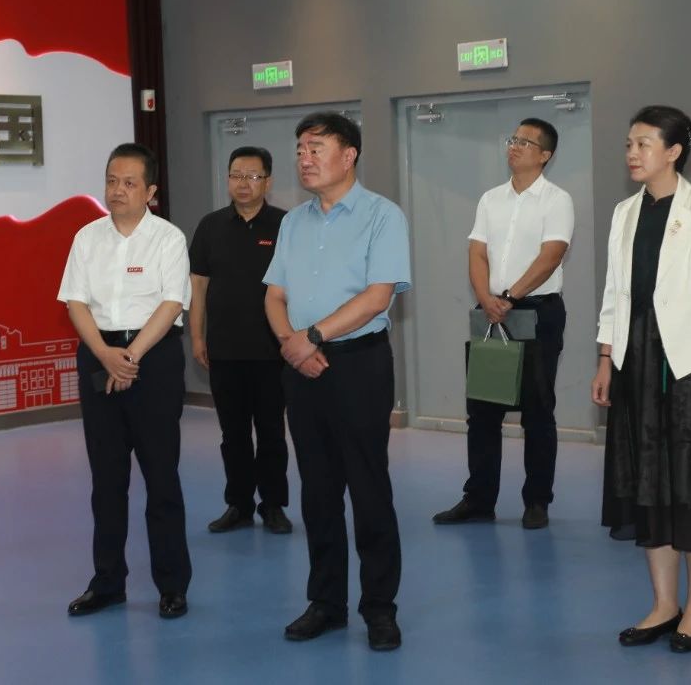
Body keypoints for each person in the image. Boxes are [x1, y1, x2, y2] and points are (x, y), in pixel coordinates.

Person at [592, 106, 691, 653]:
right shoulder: (624, 212)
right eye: (629, 144)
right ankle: (664, 603)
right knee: (648, 483)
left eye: (644, 144)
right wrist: (606, 357)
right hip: (635, 361)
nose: (632, 153)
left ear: (674, 151)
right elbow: (614, 291)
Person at [263, 112, 411, 652]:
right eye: (301, 149)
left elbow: (377, 296)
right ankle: (326, 603)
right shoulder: (293, 223)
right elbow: (275, 294)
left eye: (316, 148)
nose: (305, 158)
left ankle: (379, 609)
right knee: (318, 490)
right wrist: (292, 344)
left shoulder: (382, 216)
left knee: (368, 489)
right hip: (302, 367)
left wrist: (312, 337)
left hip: (358, 365)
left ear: (349, 156)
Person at [57, 142, 192, 620]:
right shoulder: (87, 237)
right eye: (112, 181)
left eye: (129, 183)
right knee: (106, 480)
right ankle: (108, 582)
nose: (117, 190)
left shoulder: (168, 238)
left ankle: (172, 585)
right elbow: (75, 301)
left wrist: (129, 357)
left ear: (150, 191)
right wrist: (104, 354)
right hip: (100, 356)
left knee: (161, 477)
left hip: (152, 359)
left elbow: (172, 303)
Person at [433, 118, 574, 530]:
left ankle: (537, 501)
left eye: (525, 142)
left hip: (537, 312)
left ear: (545, 155)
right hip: (491, 312)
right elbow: (477, 253)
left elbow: (551, 255)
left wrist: (511, 296)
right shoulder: (490, 199)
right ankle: (478, 499)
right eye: (513, 139)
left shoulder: (557, 200)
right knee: (482, 411)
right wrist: (486, 298)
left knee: (537, 411)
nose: (514, 146)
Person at [189, 146, 292, 534]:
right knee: (232, 435)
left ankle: (273, 505)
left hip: (273, 351)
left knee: (271, 433)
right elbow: (198, 287)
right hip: (224, 350)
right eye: (236, 175)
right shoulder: (210, 226)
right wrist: (197, 336)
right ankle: (239, 505)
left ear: (268, 181)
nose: (243, 183)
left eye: (252, 176)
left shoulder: (286, 225)